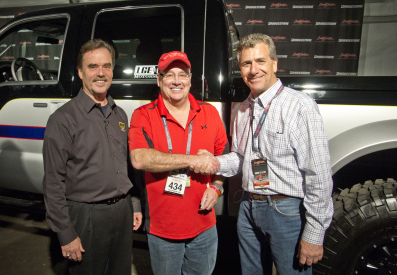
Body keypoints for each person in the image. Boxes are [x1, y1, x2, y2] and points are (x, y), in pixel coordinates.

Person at [215, 33, 333, 274]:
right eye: (246, 63)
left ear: (275, 64)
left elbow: (318, 174)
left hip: (285, 210)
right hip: (248, 208)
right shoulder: (243, 109)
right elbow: (240, 158)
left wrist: (314, 233)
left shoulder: (300, 106)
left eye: (260, 61)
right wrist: (211, 162)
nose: (253, 70)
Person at [43, 39, 142, 275]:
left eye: (107, 66)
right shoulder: (62, 119)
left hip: (122, 211)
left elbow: (127, 167)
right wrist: (66, 234)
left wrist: (134, 204)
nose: (101, 73)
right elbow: (53, 182)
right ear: (80, 72)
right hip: (86, 216)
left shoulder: (120, 115)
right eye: (92, 67)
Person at [128, 51, 227, 275]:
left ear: (190, 79)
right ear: (159, 79)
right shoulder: (143, 115)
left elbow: (224, 156)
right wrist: (192, 160)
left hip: (205, 226)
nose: (176, 81)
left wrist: (217, 187)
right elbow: (139, 158)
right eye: (169, 75)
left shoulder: (209, 113)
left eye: (182, 75)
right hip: (163, 230)